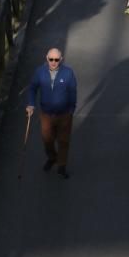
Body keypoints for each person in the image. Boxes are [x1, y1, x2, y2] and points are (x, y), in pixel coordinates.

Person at [26, 48, 77, 179]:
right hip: (46, 114)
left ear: (61, 60)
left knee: (63, 141)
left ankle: (62, 166)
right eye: (51, 59)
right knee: (47, 140)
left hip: (64, 114)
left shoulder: (68, 73)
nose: (53, 62)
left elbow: (72, 91)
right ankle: (52, 157)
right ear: (46, 58)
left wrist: (71, 109)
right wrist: (31, 104)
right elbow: (32, 88)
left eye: (56, 60)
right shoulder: (40, 72)